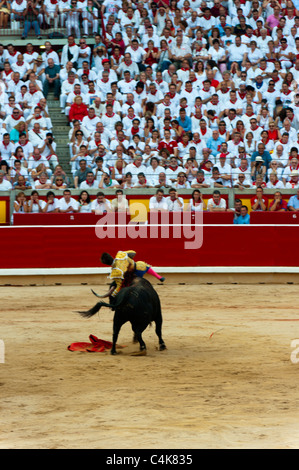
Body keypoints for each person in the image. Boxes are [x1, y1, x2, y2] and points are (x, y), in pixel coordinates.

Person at [100, 250, 165, 299]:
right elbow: (133, 252)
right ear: (111, 256)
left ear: (106, 264)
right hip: (139, 265)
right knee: (147, 267)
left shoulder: (116, 271)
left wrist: (113, 295)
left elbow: (119, 285)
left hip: (135, 273)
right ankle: (159, 277)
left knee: (129, 286)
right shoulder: (120, 255)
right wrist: (129, 259)